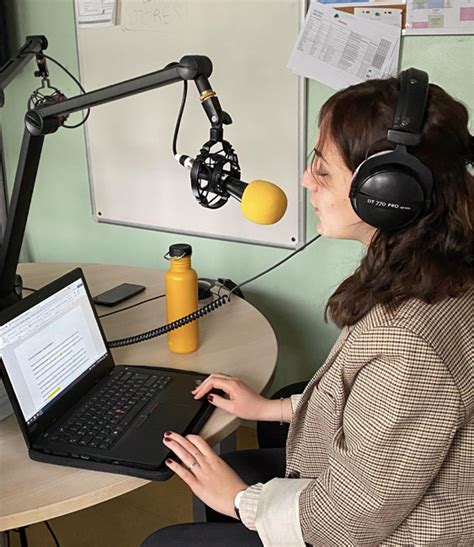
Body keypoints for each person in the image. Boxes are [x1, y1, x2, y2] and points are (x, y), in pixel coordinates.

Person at [141, 70, 474, 546]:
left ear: (388, 194)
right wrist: (271, 408)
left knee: (164, 542)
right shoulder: (436, 264)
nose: (304, 179)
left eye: (322, 168)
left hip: (385, 530)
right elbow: (373, 412)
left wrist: (240, 501)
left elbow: (347, 523)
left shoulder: (410, 348)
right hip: (379, 486)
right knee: (232, 467)